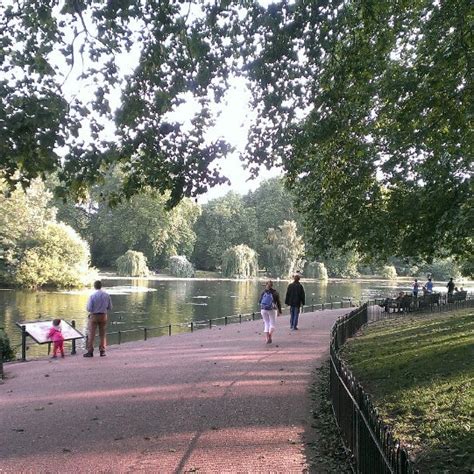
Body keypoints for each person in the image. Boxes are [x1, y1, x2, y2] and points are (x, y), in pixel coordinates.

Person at [84, 280, 112, 357]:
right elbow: (110, 307)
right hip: (103, 316)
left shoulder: (92, 296)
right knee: (102, 334)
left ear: (94, 286)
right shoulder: (107, 295)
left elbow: (89, 308)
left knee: (91, 334)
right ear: (101, 286)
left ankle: (90, 351)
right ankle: (102, 351)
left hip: (94, 316)